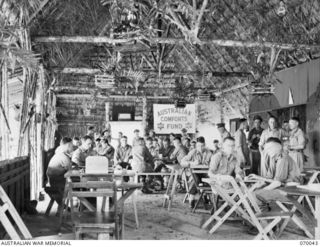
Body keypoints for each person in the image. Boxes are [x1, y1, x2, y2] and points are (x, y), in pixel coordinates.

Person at [248, 137, 301, 211]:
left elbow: (277, 183)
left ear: (278, 147)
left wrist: (262, 189)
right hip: (282, 188)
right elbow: (269, 178)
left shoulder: (283, 159)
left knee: (256, 195)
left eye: (270, 148)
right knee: (252, 191)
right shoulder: (274, 158)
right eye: (266, 149)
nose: (267, 151)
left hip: (290, 192)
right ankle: (256, 214)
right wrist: (258, 179)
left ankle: (263, 216)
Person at [181, 137, 213, 208]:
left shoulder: (209, 153)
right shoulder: (193, 152)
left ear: (205, 145)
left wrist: (209, 165)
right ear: (196, 146)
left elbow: (213, 164)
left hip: (205, 172)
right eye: (198, 146)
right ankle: (192, 199)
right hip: (195, 173)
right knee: (196, 180)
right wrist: (192, 163)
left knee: (210, 180)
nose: (200, 148)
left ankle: (204, 195)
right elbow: (182, 162)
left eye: (202, 146)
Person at [46, 137, 73, 214]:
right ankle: (65, 208)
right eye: (71, 145)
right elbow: (70, 169)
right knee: (77, 184)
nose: (72, 147)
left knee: (72, 180)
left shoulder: (59, 152)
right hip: (56, 181)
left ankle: (62, 208)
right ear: (67, 145)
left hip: (54, 179)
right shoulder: (62, 155)